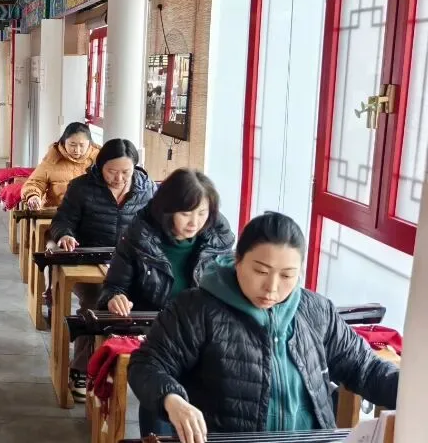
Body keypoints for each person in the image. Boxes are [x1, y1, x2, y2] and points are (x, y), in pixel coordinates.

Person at [128, 212, 400, 443]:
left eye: (287, 275)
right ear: (238, 260)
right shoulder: (196, 308)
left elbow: (365, 368)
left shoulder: (316, 311)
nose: (272, 287)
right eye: (260, 271)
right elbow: (147, 364)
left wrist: (411, 392)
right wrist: (172, 400)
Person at [98, 168, 235, 436]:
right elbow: (113, 286)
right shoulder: (139, 235)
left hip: (204, 329)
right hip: (154, 331)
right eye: (186, 213)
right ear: (167, 209)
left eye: (202, 213)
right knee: (162, 380)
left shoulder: (218, 237)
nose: (195, 222)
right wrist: (115, 298)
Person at [47, 138, 155, 402]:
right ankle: (81, 369)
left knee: (149, 305)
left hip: (130, 267)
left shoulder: (147, 190)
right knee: (96, 302)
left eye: (125, 172)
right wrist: (65, 235)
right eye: (111, 171)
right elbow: (62, 220)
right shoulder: (82, 187)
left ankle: (130, 366)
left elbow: (157, 230)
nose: (118, 178)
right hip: (88, 261)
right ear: (100, 166)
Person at [21, 122, 98, 210]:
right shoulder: (52, 158)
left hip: (90, 213)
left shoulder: (98, 159)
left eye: (82, 145)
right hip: (56, 212)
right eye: (72, 145)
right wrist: (33, 196)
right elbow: (36, 182)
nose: (77, 150)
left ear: (89, 144)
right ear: (64, 141)